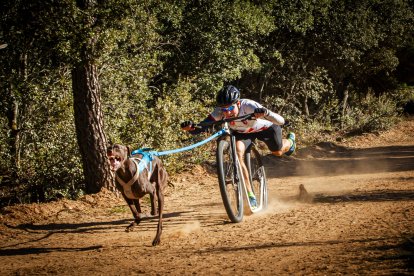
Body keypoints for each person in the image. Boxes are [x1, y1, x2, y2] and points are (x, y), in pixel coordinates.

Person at [181, 85, 296, 208]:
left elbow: (281, 121)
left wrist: (265, 112)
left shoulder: (249, 105)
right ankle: (250, 194)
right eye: (223, 109)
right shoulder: (219, 112)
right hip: (243, 134)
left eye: (230, 108)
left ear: (238, 104)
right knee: (237, 153)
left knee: (277, 152)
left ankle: (290, 142)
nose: (227, 112)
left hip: (265, 129)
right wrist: (191, 128)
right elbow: (203, 126)